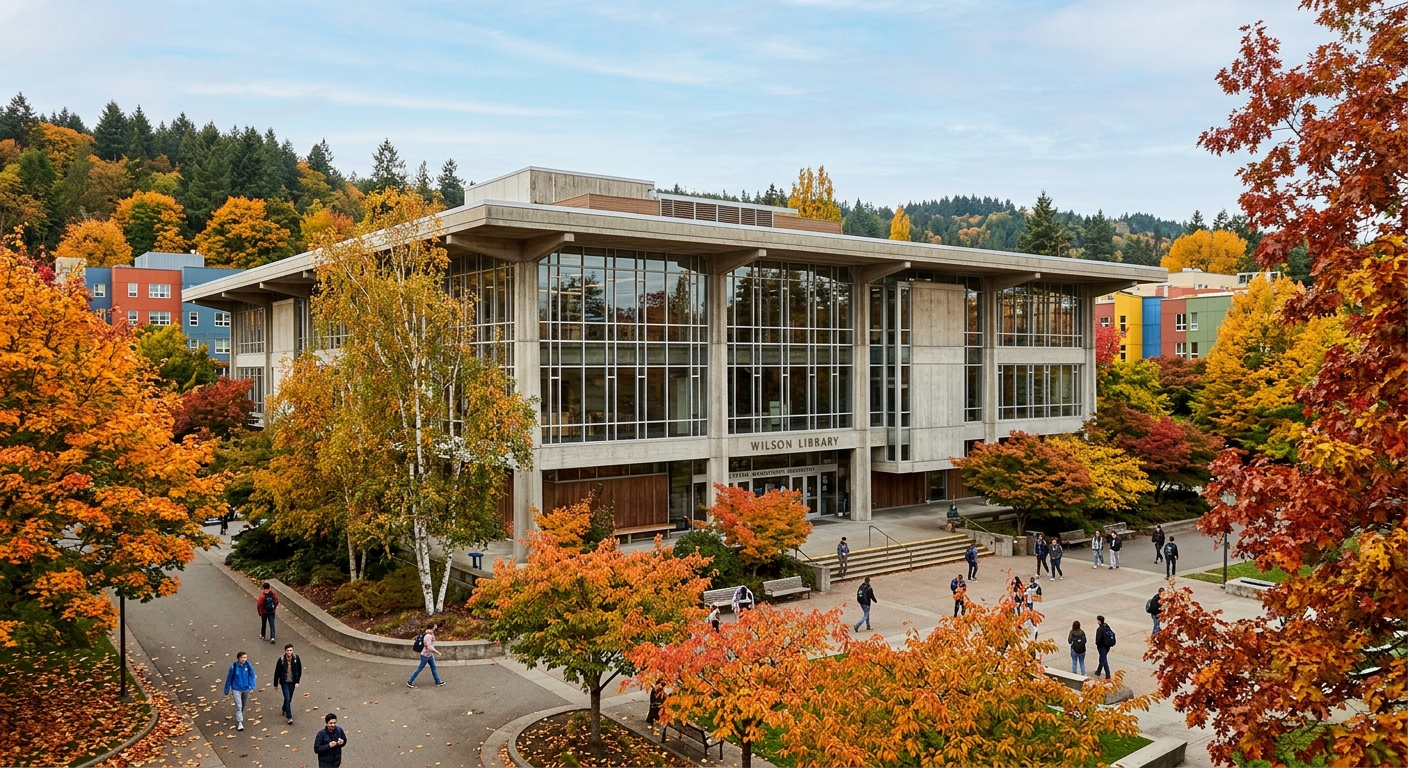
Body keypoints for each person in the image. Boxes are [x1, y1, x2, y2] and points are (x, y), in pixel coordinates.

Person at [223, 651, 257, 732]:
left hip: (246, 688)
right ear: (239, 658)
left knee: (243, 705)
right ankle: (240, 722)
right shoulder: (233, 667)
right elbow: (229, 679)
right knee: (239, 705)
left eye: (245, 657)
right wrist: (226, 691)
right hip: (236, 689)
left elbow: (251, 676)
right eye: (242, 658)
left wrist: (251, 687)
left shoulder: (248, 665)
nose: (244, 659)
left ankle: (239, 715)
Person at [407, 624, 444, 688]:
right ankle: (410, 681)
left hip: (429, 655)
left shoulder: (430, 634)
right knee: (419, 668)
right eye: (432, 628)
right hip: (425, 655)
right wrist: (437, 652)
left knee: (433, 667)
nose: (433, 630)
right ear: (429, 629)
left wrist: (433, 632)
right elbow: (429, 647)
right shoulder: (427, 636)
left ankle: (438, 681)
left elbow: (434, 640)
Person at [273, 643, 302, 725]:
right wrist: (276, 684)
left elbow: (299, 670)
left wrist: (297, 681)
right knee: (287, 697)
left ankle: (284, 708)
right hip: (284, 681)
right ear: (285, 651)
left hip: (292, 681)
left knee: (288, 698)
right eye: (288, 650)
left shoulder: (296, 658)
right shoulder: (281, 660)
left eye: (291, 650)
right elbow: (277, 672)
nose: (289, 652)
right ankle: (289, 717)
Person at [1093, 615, 1115, 680]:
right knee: (1102, 658)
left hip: (1102, 646)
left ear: (1099, 621)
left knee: (1104, 659)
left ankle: (1108, 674)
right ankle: (1098, 671)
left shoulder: (1099, 629)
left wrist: (1097, 643)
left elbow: (1098, 639)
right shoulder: (1107, 626)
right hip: (1107, 646)